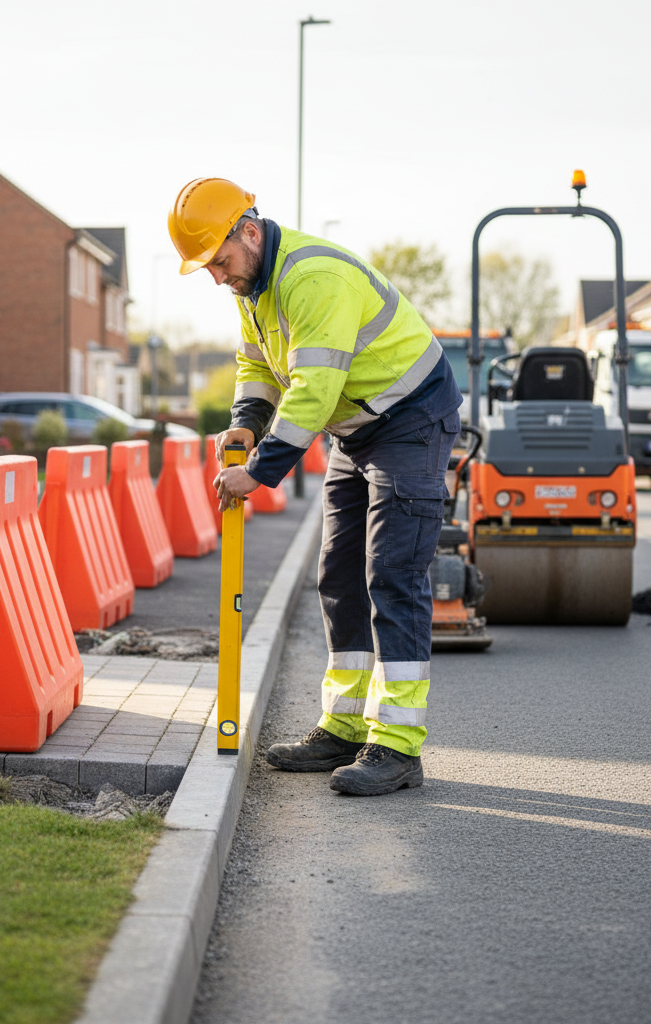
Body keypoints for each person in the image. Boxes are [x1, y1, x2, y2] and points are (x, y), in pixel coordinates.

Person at [167, 177, 461, 796]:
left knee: (393, 576)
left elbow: (313, 389)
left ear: (250, 232)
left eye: (220, 262)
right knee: (339, 575)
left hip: (410, 420)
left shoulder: (312, 279)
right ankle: (344, 729)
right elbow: (256, 365)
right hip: (356, 431)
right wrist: (245, 424)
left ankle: (399, 746)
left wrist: (259, 470)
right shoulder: (253, 285)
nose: (218, 277)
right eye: (209, 270)